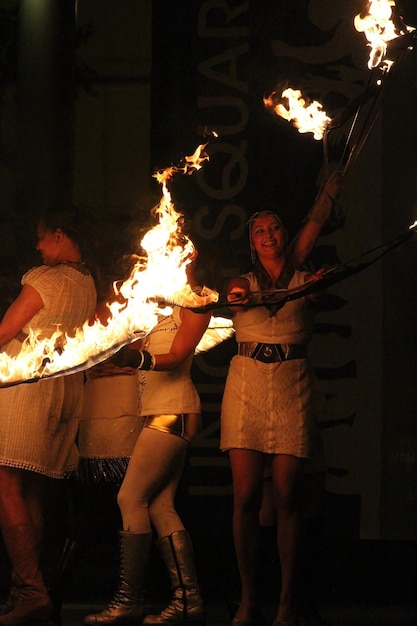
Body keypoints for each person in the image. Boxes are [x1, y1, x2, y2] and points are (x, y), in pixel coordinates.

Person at [220, 172, 342, 626]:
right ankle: (250, 598)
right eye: (259, 231)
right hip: (247, 382)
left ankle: (288, 602)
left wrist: (331, 188)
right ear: (252, 242)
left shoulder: (304, 275)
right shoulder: (244, 279)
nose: (267, 235)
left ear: (284, 236)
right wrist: (239, 298)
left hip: (293, 382)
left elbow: (316, 221)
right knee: (247, 494)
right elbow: (235, 299)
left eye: (273, 229)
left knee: (289, 492)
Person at [82, 253, 211, 626]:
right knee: (160, 507)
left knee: (129, 497)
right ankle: (188, 599)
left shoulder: (198, 304)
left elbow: (177, 355)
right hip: (157, 411)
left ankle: (129, 600)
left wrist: (136, 360)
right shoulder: (158, 310)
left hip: (176, 410)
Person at [0, 209, 97, 626]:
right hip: (62, 391)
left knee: (5, 484)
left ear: (59, 236)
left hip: (28, 388)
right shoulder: (88, 283)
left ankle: (31, 589)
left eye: (42, 238)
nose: (38, 247)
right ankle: (34, 592)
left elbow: (5, 329)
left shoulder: (45, 278)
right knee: (34, 490)